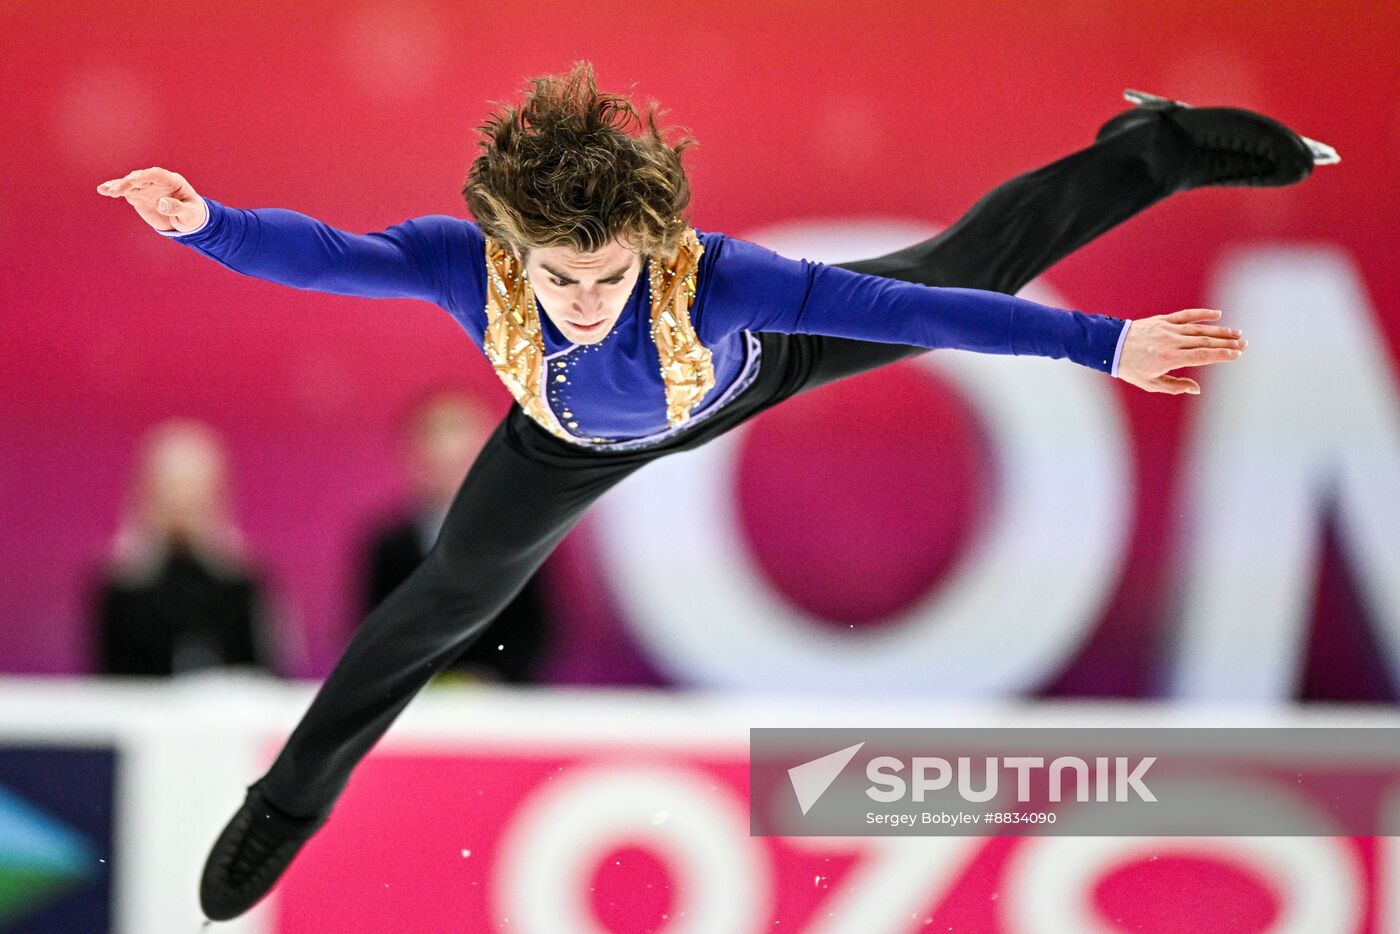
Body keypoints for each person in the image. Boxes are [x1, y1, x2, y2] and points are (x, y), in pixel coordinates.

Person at [96, 65, 1333, 920]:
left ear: (647, 245)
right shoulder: (461, 266)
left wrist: (1101, 345)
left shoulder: (718, 282)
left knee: (970, 258)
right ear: (508, 245)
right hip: (559, 445)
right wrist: (202, 221)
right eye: (555, 280)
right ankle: (285, 804)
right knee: (435, 607)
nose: (580, 302)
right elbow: (317, 256)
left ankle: (1155, 147)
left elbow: (921, 306)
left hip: (746, 378)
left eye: (604, 276)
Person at [358, 388, 553, 683]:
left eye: (463, 462)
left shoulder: (522, 539)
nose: (453, 475)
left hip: (503, 699)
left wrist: (492, 678)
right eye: (441, 463)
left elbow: (533, 630)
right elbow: (374, 630)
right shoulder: (390, 545)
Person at [92, 419, 278, 677]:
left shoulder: (242, 581)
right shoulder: (120, 586)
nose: (183, 499)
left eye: (193, 486)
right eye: (173, 485)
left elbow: (266, 672)